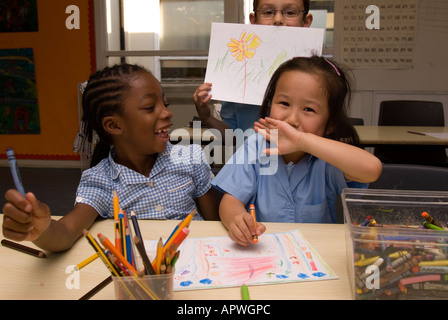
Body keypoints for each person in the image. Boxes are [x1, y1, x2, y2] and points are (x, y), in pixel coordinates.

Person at [2, 63, 219, 252]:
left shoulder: (190, 157)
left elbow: (215, 223)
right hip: (141, 276)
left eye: (165, 104)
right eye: (150, 107)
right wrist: (42, 230)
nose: (167, 113)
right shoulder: (101, 180)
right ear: (114, 125)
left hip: (199, 263)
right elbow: (66, 233)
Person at [212, 56, 383, 246]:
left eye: (308, 109)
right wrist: (237, 219)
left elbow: (372, 169)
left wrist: (303, 141)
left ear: (330, 123)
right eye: (284, 103)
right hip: (265, 249)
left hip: (318, 252)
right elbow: (230, 201)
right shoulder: (256, 145)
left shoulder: (328, 156)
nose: (291, 119)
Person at [193, 0, 313, 138]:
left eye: (290, 12)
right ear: (254, 20)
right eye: (268, 12)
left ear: (306, 21)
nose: (278, 20)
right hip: (251, 158)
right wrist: (206, 117)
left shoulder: (320, 76)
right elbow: (232, 136)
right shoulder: (238, 72)